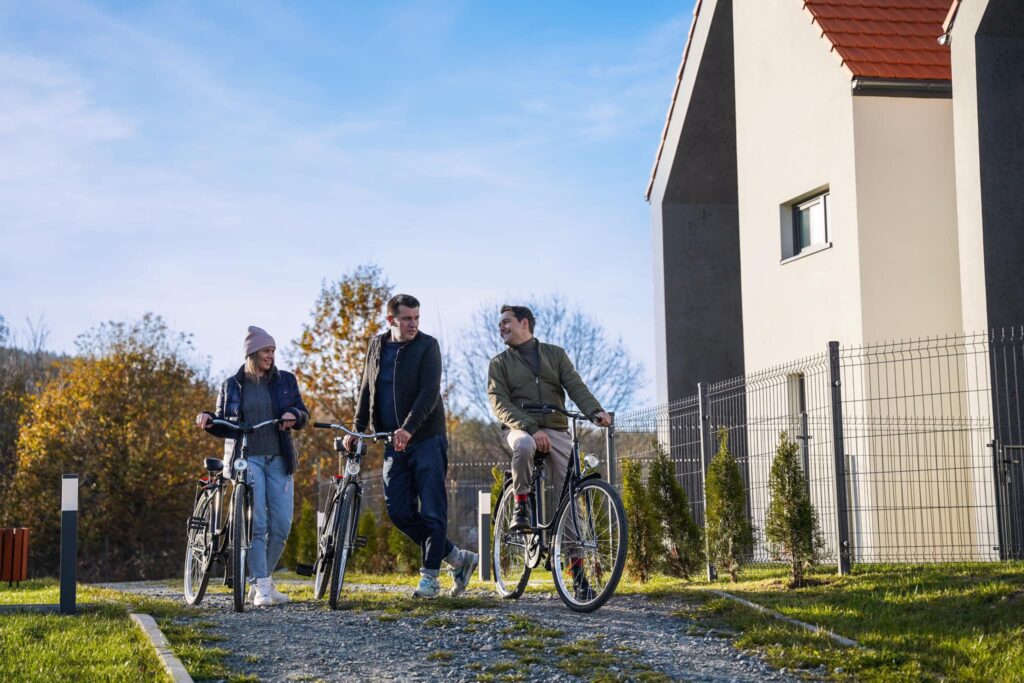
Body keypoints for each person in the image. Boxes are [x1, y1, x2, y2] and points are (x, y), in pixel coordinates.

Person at [345, 294, 478, 598]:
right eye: (407, 318)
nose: (413, 324)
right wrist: (356, 428)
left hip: (426, 438)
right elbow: (367, 388)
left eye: (417, 318)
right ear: (390, 319)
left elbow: (429, 392)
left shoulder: (427, 346)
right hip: (393, 442)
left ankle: (429, 577)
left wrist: (408, 427)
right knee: (399, 510)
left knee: (433, 510)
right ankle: (458, 558)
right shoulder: (376, 346)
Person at [486, 304, 611, 597]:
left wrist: (595, 411)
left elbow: (575, 386)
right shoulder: (499, 363)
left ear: (524, 323)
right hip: (520, 428)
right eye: (500, 323)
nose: (501, 327)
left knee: (569, 497)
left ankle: (578, 575)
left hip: (556, 429)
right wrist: (530, 427)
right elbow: (499, 403)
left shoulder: (555, 355)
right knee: (526, 445)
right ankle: (520, 505)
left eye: (506, 322)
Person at [196, 326, 309, 607]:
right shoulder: (232, 386)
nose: (271, 356)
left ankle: (263, 581)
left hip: (280, 459)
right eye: (266, 351)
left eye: (272, 351)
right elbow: (223, 423)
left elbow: (302, 413)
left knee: (281, 525)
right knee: (257, 524)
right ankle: (260, 586)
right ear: (252, 353)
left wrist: (292, 414)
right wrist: (208, 419)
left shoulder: (285, 381)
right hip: (248, 459)